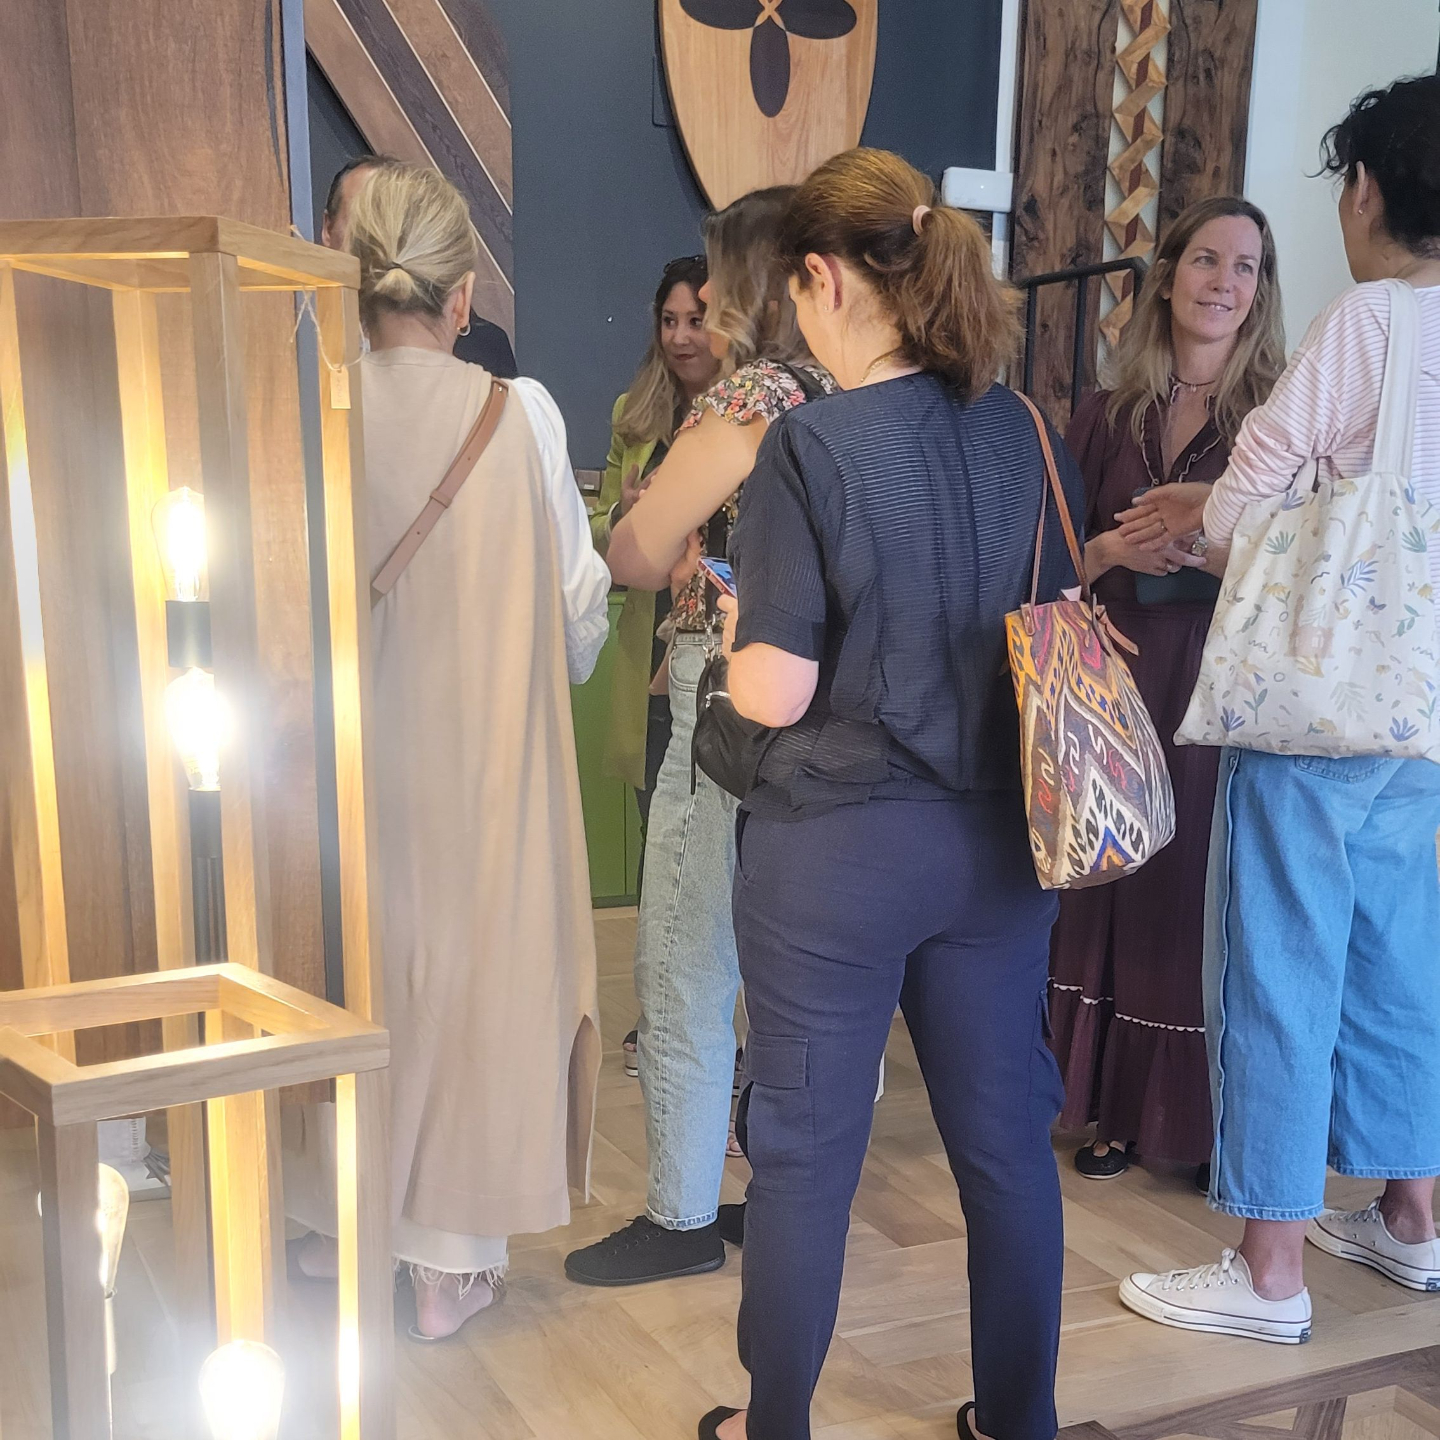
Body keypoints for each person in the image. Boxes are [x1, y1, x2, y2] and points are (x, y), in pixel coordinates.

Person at [698, 148, 1084, 1440]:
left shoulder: (809, 445)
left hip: (837, 856)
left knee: (807, 1160)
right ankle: (1019, 1420)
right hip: (1001, 847)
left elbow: (776, 693)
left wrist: (734, 630)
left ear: (821, 278)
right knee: (1005, 1150)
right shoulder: (1027, 431)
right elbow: (1057, 625)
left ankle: (777, 1428)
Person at [1116, 73, 1440, 1343]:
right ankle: (1413, 1218)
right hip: (1422, 708)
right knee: (1398, 957)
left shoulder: (1370, 321)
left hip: (1316, 701)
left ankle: (1268, 1274)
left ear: (1366, 190)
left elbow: (1249, 501)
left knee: (1282, 962)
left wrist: (1200, 516)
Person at [288, 161, 611, 1341]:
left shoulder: (305, 403)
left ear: (354, 280)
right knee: (473, 989)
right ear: (462, 295)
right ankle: (447, 1269)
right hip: (483, 773)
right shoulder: (519, 417)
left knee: (344, 971)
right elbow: (578, 620)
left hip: (334, 773)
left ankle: (329, 1226)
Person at [563, 187, 837, 1287]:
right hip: (823, 700)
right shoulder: (853, 384)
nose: (708, 294)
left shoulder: (754, 393)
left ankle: (680, 1214)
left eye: (719, 272)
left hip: (723, 687)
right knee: (789, 966)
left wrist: (653, 534)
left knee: (685, 950)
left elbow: (636, 550)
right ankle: (777, 1201)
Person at [1049, 198, 1285, 1190]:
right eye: (1205, 260)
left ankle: (1184, 1122)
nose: (1223, 281)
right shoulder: (1103, 414)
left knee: (1189, 891)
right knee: (1108, 881)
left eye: (1245, 267)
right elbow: (1047, 555)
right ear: (1168, 277)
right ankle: (1107, 1105)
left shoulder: (1276, 423)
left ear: (1260, 293)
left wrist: (1211, 553)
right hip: (1111, 668)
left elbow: (1303, 570)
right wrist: (1109, 552)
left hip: (1215, 681)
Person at [591, 256, 721, 1074]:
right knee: (658, 843)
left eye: (695, 319)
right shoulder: (632, 414)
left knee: (718, 849)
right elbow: (599, 533)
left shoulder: (749, 414)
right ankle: (658, 1015)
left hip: (725, 659)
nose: (680, 336)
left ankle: (718, 1021)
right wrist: (626, 514)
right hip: (651, 658)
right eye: (668, 321)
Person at [321, 155, 518, 378]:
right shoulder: (299, 328)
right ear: (328, 228)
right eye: (363, 226)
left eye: (388, 224)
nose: (377, 241)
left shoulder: (484, 344)